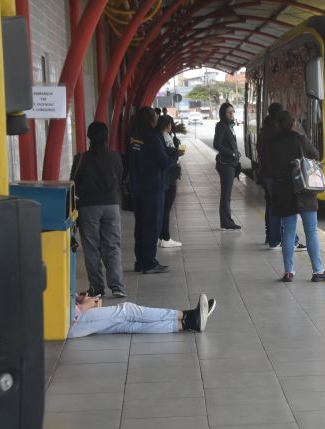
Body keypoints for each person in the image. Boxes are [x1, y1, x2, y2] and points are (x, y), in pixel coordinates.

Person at [268, 111, 325, 283]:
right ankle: (318, 271)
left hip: (284, 193)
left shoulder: (273, 144)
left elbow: (268, 166)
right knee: (311, 230)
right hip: (304, 190)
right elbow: (315, 155)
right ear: (293, 124)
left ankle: (289, 272)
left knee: (288, 231)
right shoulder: (300, 140)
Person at [70, 121, 127, 298]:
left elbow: (74, 183)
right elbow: (120, 179)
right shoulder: (115, 157)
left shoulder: (81, 159)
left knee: (92, 248)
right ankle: (117, 286)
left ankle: (97, 287)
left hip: (88, 208)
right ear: (106, 137)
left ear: (88, 137)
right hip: (111, 205)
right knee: (112, 246)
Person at [129, 106, 172, 274]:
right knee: (152, 226)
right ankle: (149, 262)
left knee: (140, 226)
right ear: (150, 119)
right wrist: (175, 155)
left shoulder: (134, 137)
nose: (156, 119)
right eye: (154, 116)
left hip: (137, 187)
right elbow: (164, 162)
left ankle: (140, 261)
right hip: (153, 188)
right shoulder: (153, 138)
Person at [257, 102, 305, 251]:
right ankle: (290, 240)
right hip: (279, 175)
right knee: (285, 207)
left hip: (267, 173)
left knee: (273, 205)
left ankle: (272, 238)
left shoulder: (264, 129)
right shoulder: (278, 133)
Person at [68, 292, 215, 338]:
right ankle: (186, 315)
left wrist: (77, 299)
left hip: (71, 317)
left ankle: (186, 323)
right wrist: (82, 307)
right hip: (72, 322)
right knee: (127, 310)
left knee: (127, 325)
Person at [212, 102, 241, 230]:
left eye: (233, 111)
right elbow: (216, 144)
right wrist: (232, 153)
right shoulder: (221, 126)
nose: (232, 114)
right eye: (229, 112)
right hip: (226, 164)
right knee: (226, 193)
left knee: (227, 193)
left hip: (231, 162)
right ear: (223, 113)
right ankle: (226, 222)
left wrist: (236, 152)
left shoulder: (230, 126)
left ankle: (227, 220)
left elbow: (231, 143)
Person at [157, 115, 182, 248]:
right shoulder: (166, 137)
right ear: (168, 125)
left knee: (162, 209)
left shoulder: (157, 137)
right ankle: (165, 238)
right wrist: (177, 152)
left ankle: (159, 236)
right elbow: (173, 158)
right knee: (166, 208)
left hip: (164, 176)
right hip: (170, 176)